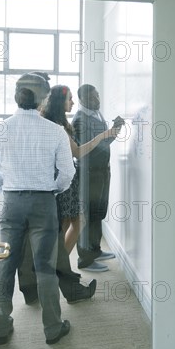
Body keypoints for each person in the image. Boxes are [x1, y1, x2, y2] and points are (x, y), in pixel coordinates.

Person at [18, 84, 121, 302]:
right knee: (75, 222)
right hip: (61, 184)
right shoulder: (57, 126)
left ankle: (56, 270)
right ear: (59, 102)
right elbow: (78, 152)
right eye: (70, 99)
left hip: (56, 183)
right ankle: (58, 270)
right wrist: (102, 136)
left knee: (66, 226)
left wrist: (104, 136)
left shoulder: (49, 122)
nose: (73, 103)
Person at [0, 73, 73, 345]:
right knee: (45, 267)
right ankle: (52, 328)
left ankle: (0, 325)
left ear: (17, 95)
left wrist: (5, 183)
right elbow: (67, 172)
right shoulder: (55, 131)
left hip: (12, 201)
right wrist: (54, 189)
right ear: (44, 98)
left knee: (5, 264)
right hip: (43, 202)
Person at [73, 84, 124, 272]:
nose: (97, 100)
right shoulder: (80, 119)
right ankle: (85, 260)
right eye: (93, 97)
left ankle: (95, 250)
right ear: (82, 99)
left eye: (98, 96)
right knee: (87, 215)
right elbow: (87, 149)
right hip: (89, 173)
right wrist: (109, 133)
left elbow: (104, 142)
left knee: (98, 213)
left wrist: (115, 129)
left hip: (102, 171)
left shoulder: (97, 114)